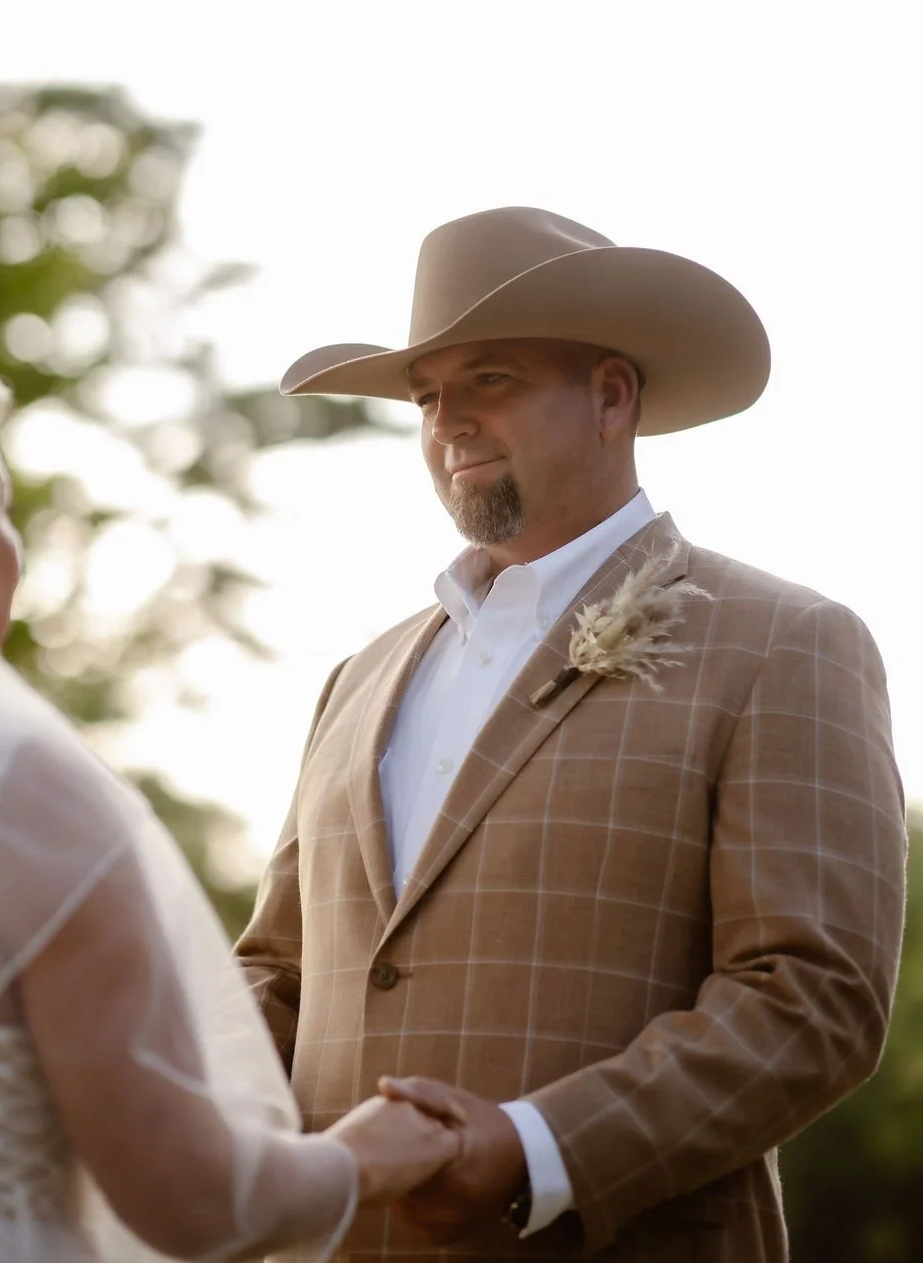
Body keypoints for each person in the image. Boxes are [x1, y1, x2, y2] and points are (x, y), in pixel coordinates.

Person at [236, 206, 907, 1262]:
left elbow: (813, 999)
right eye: (424, 395)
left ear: (610, 394)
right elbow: (277, 974)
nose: (445, 419)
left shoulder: (785, 641)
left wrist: (535, 1148)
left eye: (489, 378)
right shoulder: (355, 679)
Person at [0, 312, 461, 1263]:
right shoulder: (17, 794)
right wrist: (363, 1156)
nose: (14, 548)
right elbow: (194, 1201)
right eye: (2, 509)